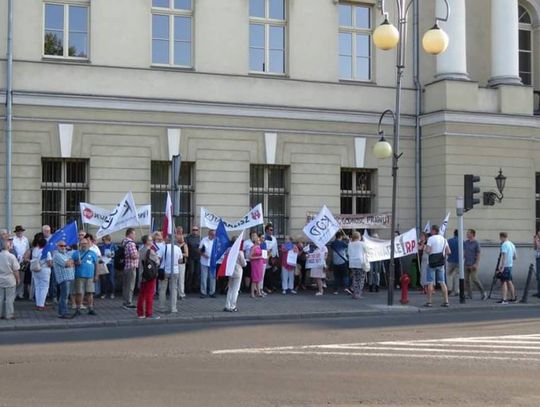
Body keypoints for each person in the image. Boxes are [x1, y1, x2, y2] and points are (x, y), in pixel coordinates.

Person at [424, 224, 450, 307]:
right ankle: (446, 301)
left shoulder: (431, 239)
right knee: (442, 282)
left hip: (431, 263)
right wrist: (442, 254)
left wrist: (425, 249)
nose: (430, 232)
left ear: (434, 231)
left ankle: (429, 302)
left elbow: (428, 251)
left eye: (431, 230)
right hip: (440, 263)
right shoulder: (444, 239)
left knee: (430, 282)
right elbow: (449, 252)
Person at [72, 237, 98, 316]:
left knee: (90, 293)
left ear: (88, 244)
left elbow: (97, 265)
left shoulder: (93, 253)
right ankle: (78, 309)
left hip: (90, 276)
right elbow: (71, 264)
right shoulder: (76, 253)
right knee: (79, 293)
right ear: (80, 244)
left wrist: (96, 275)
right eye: (82, 243)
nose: (84, 245)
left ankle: (90, 308)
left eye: (85, 243)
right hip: (79, 276)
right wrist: (76, 263)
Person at [137, 235, 160, 319]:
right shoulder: (150, 251)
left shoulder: (140, 250)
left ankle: (140, 313)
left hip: (142, 274)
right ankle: (149, 314)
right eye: (150, 240)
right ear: (147, 241)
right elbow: (157, 262)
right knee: (150, 294)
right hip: (150, 275)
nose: (152, 241)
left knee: (142, 294)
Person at [158, 237, 183, 313]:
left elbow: (158, 258)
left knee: (162, 290)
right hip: (175, 271)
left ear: (167, 240)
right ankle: (173, 308)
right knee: (173, 290)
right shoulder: (178, 248)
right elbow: (180, 260)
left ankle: (162, 308)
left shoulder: (163, 247)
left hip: (164, 270)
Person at [52, 240, 75, 319]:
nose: (63, 247)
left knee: (65, 296)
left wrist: (71, 262)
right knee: (64, 296)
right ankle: (62, 313)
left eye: (65, 246)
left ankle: (64, 311)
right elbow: (67, 264)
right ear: (57, 246)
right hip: (64, 278)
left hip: (69, 277)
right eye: (61, 246)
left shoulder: (66, 254)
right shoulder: (56, 255)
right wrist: (70, 262)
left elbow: (73, 262)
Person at [224, 236, 247, 312]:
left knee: (230, 288)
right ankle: (233, 306)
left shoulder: (228, 250)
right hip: (238, 271)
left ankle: (227, 305)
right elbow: (243, 264)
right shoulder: (240, 252)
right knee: (235, 289)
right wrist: (245, 263)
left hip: (230, 271)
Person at [30, 234, 52, 311]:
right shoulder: (46, 252)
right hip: (44, 270)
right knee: (44, 288)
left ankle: (38, 304)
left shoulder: (35, 250)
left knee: (38, 287)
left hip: (35, 269)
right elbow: (49, 263)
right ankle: (41, 305)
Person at [0, 236, 20, 320]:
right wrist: (18, 279)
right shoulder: (11, 256)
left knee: (0, 298)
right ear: (8, 247)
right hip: (10, 280)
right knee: (9, 299)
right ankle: (9, 315)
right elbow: (16, 270)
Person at [464, 229, 486, 300]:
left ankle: (483, 292)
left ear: (472, 234)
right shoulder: (466, 242)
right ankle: (469, 294)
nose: (467, 234)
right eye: (467, 233)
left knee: (474, 279)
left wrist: (476, 263)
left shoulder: (476, 243)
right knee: (466, 280)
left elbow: (478, 253)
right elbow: (464, 251)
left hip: (473, 264)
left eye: (468, 233)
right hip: (466, 263)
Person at [496, 232, 517, 304]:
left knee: (503, 282)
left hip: (505, 266)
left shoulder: (504, 244)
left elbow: (503, 256)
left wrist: (502, 267)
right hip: (510, 265)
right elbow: (515, 257)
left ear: (502, 237)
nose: (500, 239)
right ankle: (513, 297)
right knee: (509, 281)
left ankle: (504, 299)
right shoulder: (512, 244)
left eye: (500, 238)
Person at [348, 232, 369, 299]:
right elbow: (367, 251)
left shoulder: (350, 244)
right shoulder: (362, 244)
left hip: (352, 263)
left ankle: (354, 293)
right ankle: (358, 294)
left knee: (355, 278)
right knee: (361, 279)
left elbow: (348, 253)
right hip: (360, 263)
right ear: (359, 237)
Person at [122, 228, 139, 309]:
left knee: (126, 285)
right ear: (130, 234)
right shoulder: (131, 244)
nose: (135, 235)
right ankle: (128, 302)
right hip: (131, 266)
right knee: (130, 285)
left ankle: (125, 301)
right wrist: (139, 254)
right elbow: (133, 256)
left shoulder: (124, 242)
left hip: (126, 266)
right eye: (134, 234)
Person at [12, 225, 29, 300]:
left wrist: (26, 256)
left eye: (21, 231)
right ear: (16, 232)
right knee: (15, 278)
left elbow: (28, 249)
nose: (20, 232)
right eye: (18, 231)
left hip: (23, 261)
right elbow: (11, 250)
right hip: (15, 261)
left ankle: (20, 294)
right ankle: (13, 294)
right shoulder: (13, 239)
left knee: (22, 278)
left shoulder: (25, 239)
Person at [98, 235, 117, 299]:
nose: (103, 241)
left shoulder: (113, 245)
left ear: (108, 240)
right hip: (104, 264)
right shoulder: (102, 246)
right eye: (103, 240)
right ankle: (104, 293)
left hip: (110, 264)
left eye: (104, 240)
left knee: (111, 279)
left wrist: (111, 255)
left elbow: (115, 253)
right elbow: (100, 254)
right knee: (103, 279)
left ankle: (112, 293)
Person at [330, 231, 349, 295]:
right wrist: (347, 239)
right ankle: (346, 287)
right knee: (345, 275)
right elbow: (348, 246)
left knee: (336, 277)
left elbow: (331, 247)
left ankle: (335, 290)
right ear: (341, 236)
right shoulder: (343, 243)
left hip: (335, 262)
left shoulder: (333, 243)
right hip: (343, 261)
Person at [199, 229, 216, 298]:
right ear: (209, 234)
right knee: (203, 277)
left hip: (213, 262)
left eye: (214, 234)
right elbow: (199, 250)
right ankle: (203, 292)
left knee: (212, 278)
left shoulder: (216, 240)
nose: (213, 236)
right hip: (204, 261)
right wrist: (203, 255)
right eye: (212, 234)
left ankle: (212, 292)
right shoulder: (204, 240)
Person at [262, 223, 279, 293]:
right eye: (270, 229)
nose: (271, 231)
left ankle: (271, 286)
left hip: (273, 257)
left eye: (272, 230)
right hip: (265, 256)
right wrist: (268, 251)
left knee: (272, 273)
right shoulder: (263, 237)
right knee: (265, 273)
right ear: (266, 230)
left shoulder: (274, 238)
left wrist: (276, 256)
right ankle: (265, 287)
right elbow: (263, 246)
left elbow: (276, 247)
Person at [185, 226, 201, 293]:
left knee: (197, 273)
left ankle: (195, 287)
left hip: (198, 257)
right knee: (191, 272)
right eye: (193, 229)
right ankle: (188, 287)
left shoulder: (200, 238)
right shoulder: (188, 238)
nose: (195, 231)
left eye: (196, 230)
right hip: (191, 257)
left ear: (198, 230)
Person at [446, 230, 460, 296]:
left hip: (451, 260)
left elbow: (447, 250)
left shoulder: (449, 241)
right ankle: (456, 290)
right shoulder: (461, 241)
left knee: (449, 275)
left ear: (454, 234)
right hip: (459, 261)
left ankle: (449, 289)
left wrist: (449, 256)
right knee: (457, 275)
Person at [177, 233, 189, 300]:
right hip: (175, 264)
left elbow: (187, 254)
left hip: (182, 264)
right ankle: (175, 293)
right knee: (175, 279)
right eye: (179, 238)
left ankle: (181, 294)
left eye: (182, 238)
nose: (181, 239)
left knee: (181, 279)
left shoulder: (184, 245)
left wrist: (178, 252)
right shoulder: (175, 245)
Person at [534, 230, 540, 298]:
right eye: (537, 234)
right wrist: (535, 241)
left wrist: (536, 240)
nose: (538, 236)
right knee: (538, 276)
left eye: (538, 235)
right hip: (538, 258)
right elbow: (535, 248)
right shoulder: (537, 240)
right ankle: (538, 291)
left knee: (539, 276)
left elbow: (539, 247)